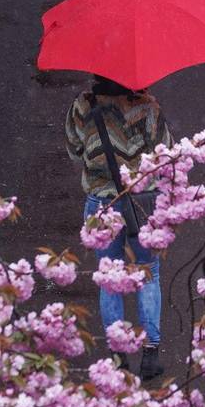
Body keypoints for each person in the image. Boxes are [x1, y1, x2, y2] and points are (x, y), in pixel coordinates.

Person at [65, 74, 172, 379]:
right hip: (142, 200)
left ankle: (118, 355)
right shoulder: (148, 107)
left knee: (109, 277)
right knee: (148, 272)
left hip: (102, 201)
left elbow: (74, 149)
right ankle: (150, 353)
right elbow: (165, 152)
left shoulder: (83, 106)